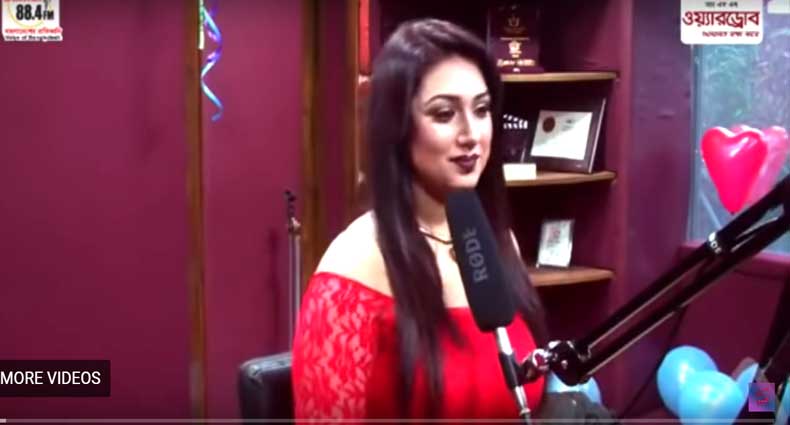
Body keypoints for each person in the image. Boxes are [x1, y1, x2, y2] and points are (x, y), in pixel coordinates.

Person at [291, 18, 548, 420]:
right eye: (444, 114)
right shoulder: (355, 264)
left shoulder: (498, 241)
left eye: (482, 110)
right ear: (398, 127)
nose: (471, 134)